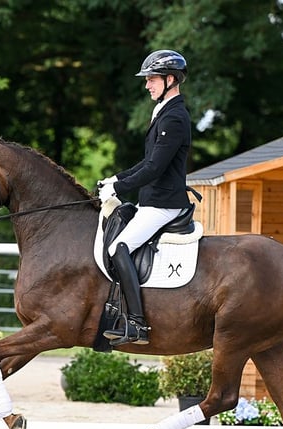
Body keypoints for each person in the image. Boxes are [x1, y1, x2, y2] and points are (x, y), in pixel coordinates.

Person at [98, 49, 192, 346]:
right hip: (153, 199)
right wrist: (117, 179)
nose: (147, 85)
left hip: (164, 203)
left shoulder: (175, 117)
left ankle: (137, 323)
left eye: (151, 79)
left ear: (170, 79)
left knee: (118, 247)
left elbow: (155, 168)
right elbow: (147, 161)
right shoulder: (164, 111)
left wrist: (120, 188)